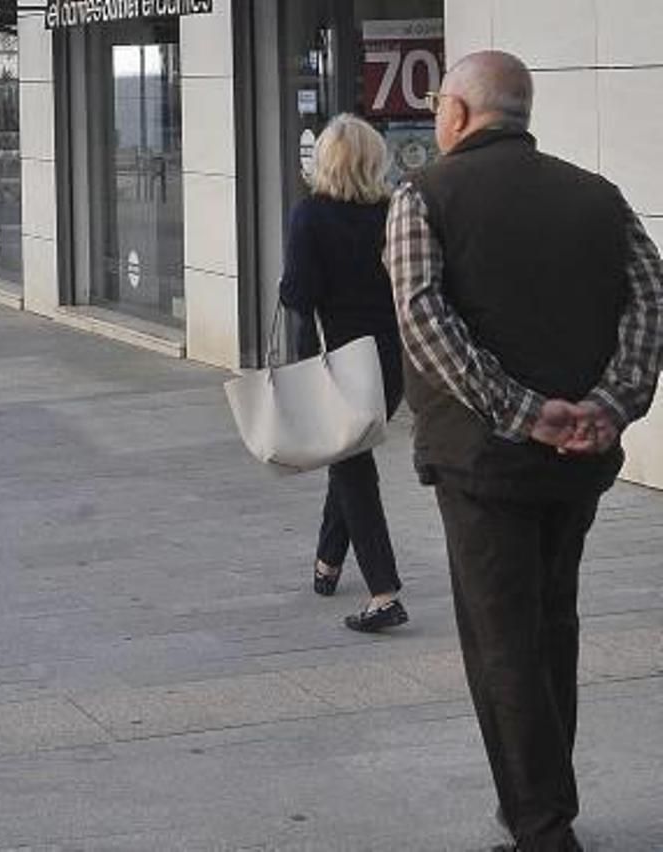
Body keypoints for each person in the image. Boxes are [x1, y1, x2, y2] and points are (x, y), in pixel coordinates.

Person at [385, 50, 663, 851]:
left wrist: (523, 411)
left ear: (461, 115)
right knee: (552, 624)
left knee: (503, 640)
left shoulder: (423, 197)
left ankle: (542, 824)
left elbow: (424, 321)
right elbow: (650, 301)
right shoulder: (599, 199)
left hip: (483, 463)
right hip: (576, 465)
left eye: (440, 104)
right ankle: (541, 805)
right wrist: (608, 408)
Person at [279, 114, 407, 633]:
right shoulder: (395, 210)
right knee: (349, 456)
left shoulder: (311, 216)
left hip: (336, 361)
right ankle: (328, 563)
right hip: (390, 361)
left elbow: (299, 295)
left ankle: (384, 592)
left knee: (353, 468)